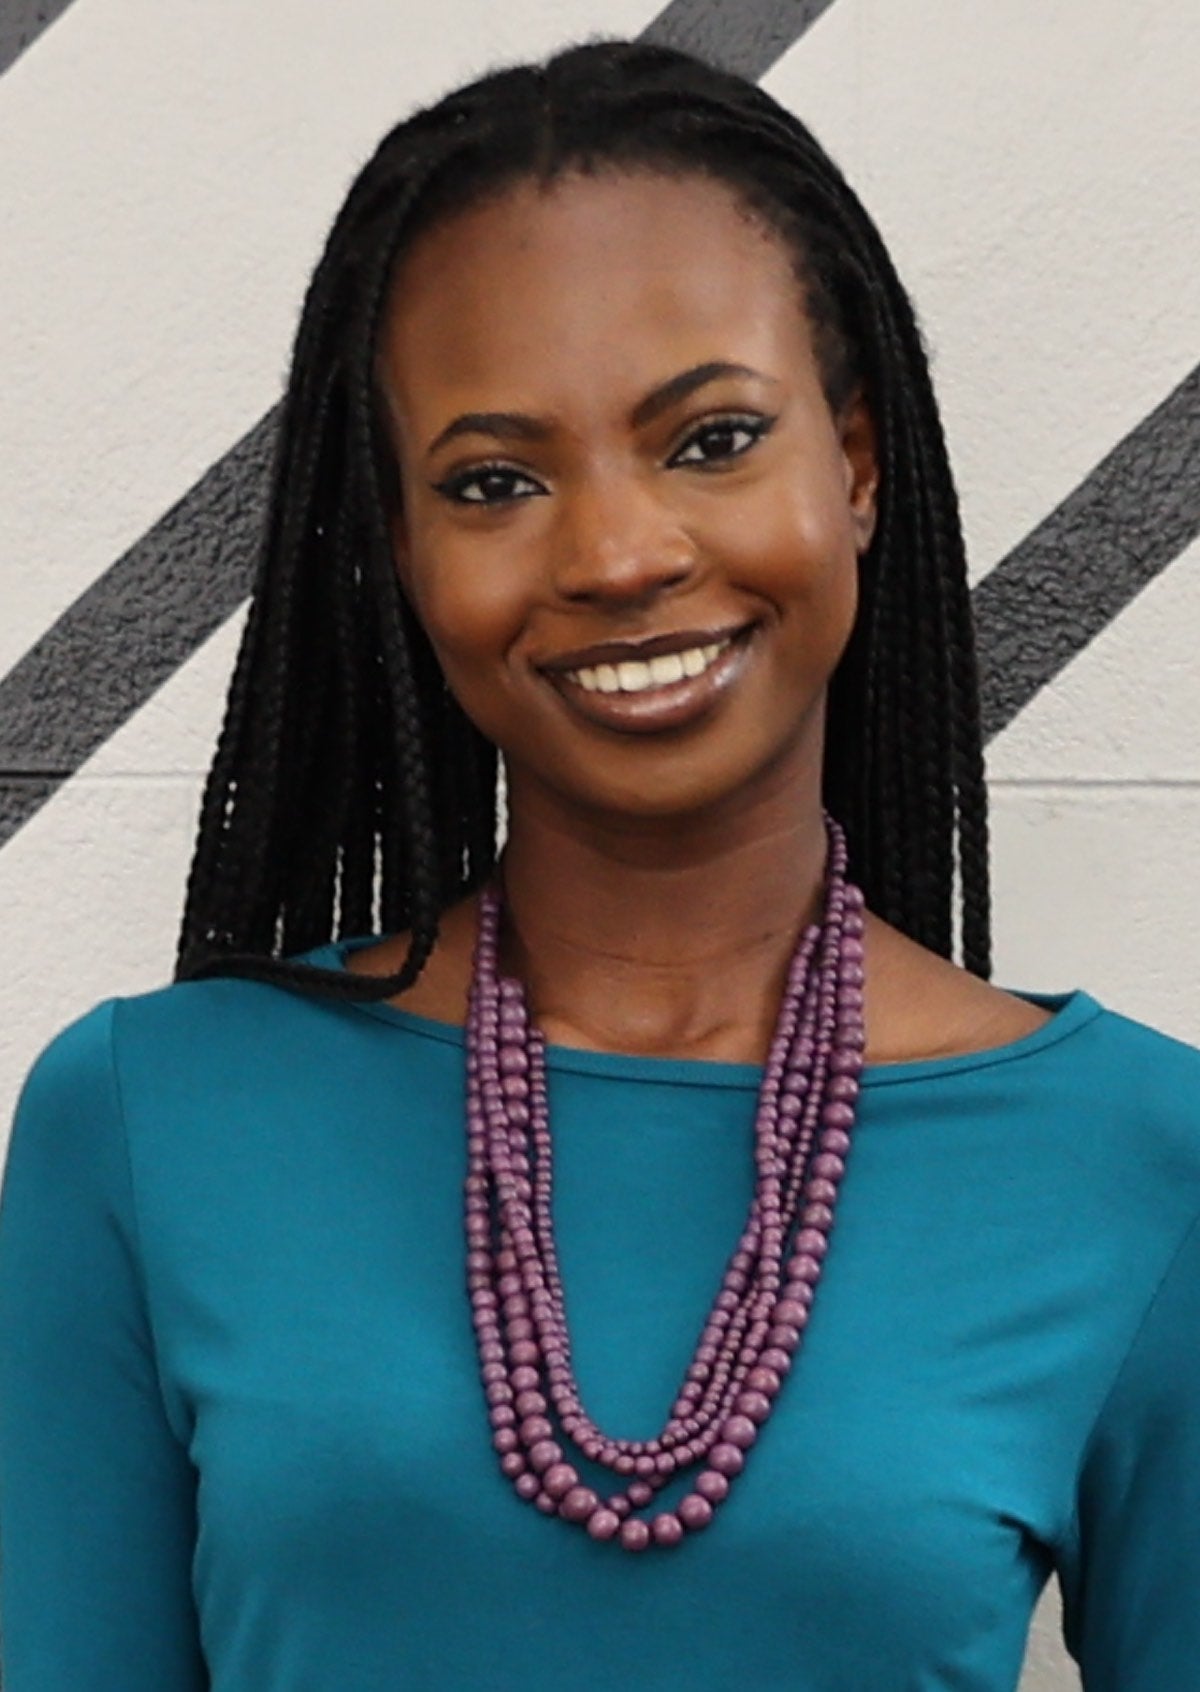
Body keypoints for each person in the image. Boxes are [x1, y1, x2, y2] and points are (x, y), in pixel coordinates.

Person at [0, 36, 1197, 1692]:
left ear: (853, 465)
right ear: (405, 553)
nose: (620, 554)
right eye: (495, 482)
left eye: (710, 440)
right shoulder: (143, 1123)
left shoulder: (1138, 1161)